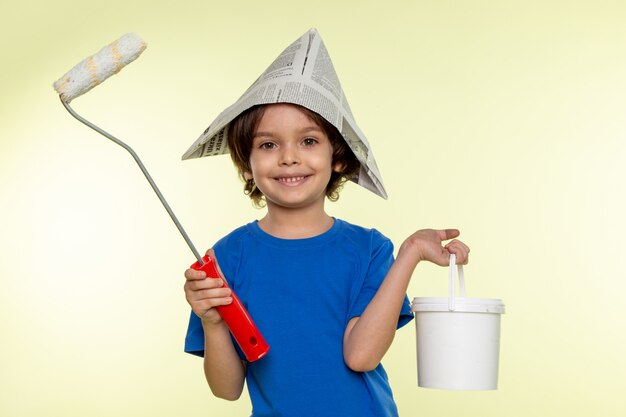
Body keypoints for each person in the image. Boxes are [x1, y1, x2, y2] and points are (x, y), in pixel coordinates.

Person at [183, 102, 469, 417]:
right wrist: (212, 322)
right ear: (246, 165)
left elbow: (361, 356)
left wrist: (411, 252)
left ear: (338, 157)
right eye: (268, 144)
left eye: (308, 141)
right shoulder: (226, 259)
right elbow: (226, 390)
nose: (289, 157)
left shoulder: (369, 249)